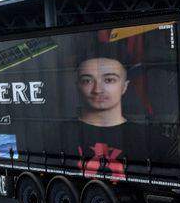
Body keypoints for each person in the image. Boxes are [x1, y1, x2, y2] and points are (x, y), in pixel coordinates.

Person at [61, 47, 170, 180]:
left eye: (109, 80)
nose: (98, 90)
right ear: (78, 86)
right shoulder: (58, 135)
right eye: (87, 81)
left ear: (125, 86)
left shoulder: (153, 141)